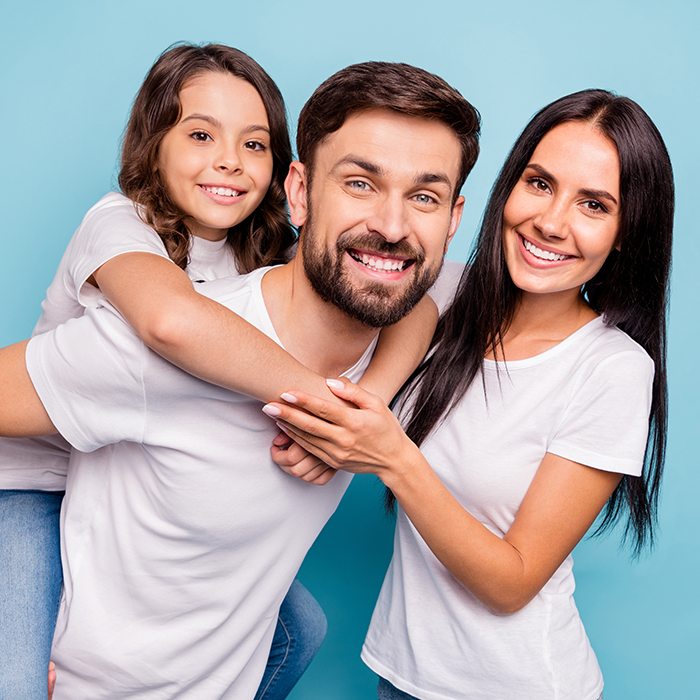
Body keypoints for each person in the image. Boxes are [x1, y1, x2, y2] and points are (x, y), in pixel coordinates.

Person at [0, 61, 480, 699]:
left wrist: (365, 406)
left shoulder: (390, 304)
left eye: (424, 196)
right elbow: (171, 321)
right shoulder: (148, 323)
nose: (392, 227)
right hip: (30, 508)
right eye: (361, 183)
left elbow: (446, 291)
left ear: (452, 218)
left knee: (299, 628)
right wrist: (320, 405)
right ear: (301, 192)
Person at [267, 89, 673, 700]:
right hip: (400, 674)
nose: (552, 222)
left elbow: (511, 583)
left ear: (624, 233)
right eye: (539, 183)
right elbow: (309, 264)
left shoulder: (612, 369)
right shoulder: (445, 295)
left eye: (594, 204)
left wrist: (387, 453)